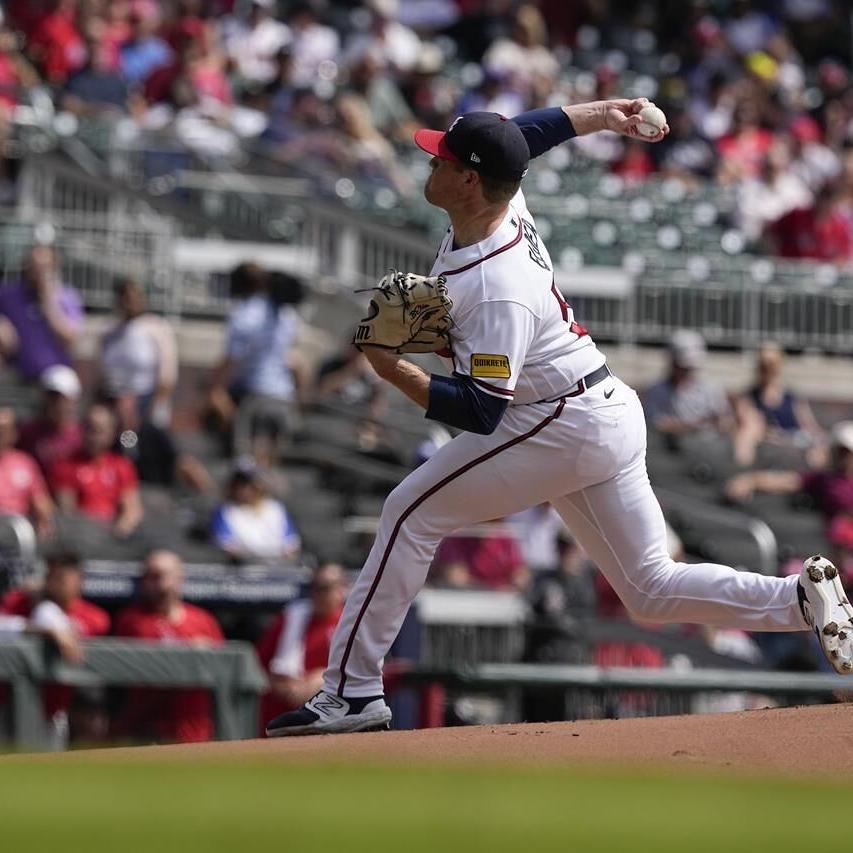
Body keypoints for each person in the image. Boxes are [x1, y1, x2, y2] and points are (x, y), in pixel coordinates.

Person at [266, 99, 853, 738]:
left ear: (467, 180)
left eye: (442, 156)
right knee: (649, 588)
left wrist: (390, 367)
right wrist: (609, 113)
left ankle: (352, 692)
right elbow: (523, 137)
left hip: (555, 419)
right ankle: (797, 599)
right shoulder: (501, 196)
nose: (429, 158)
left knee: (410, 513)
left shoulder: (497, 283)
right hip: (597, 407)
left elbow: (481, 412)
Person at [113, 549, 224, 743]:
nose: (151, 583)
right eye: (147, 577)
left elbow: (223, 671)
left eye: (158, 576)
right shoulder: (131, 620)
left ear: (179, 578)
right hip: (146, 729)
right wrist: (188, 649)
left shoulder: (203, 620)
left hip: (194, 730)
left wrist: (207, 652)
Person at [256, 563, 346, 730]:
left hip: (331, 717)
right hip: (283, 714)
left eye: (325, 588)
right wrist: (284, 686)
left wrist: (322, 680)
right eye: (315, 588)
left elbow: (365, 676)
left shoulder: (349, 624)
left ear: (342, 589)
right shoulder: (290, 617)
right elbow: (260, 666)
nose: (318, 594)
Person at [726, 421, 853, 523]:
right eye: (840, 451)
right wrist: (751, 481)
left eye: (847, 452)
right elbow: (788, 481)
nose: (844, 457)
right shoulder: (826, 480)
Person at [48, 404, 143, 538]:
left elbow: (132, 510)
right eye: (89, 429)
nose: (93, 437)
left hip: (115, 537)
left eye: (99, 431)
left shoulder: (122, 466)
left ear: (112, 433)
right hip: (80, 536)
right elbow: (67, 511)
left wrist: (119, 531)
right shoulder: (65, 466)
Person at [97, 278, 178, 427]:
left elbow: (167, 378)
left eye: (135, 296)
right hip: (114, 403)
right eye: (125, 297)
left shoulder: (157, 327)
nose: (130, 302)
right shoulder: (109, 330)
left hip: (146, 403)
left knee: (135, 443)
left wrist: (147, 413)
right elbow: (101, 375)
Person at [732, 342, 826, 467]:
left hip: (791, 439)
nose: (769, 371)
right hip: (763, 440)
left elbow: (810, 425)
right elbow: (746, 422)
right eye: (764, 367)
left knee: (817, 444)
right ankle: (743, 470)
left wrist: (818, 440)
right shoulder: (748, 397)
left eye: (772, 366)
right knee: (747, 432)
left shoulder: (792, 397)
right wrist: (765, 432)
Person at [0, 244, 84, 380]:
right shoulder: (8, 295)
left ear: (53, 267)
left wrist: (48, 302)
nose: (37, 271)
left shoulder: (67, 296)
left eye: (43, 267)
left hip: (54, 382)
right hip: (18, 377)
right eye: (33, 265)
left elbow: (69, 339)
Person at [643, 330, 733, 438]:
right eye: (682, 367)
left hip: (707, 449)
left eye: (690, 368)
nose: (685, 372)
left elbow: (725, 423)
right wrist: (696, 424)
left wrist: (721, 421)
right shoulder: (656, 390)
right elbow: (657, 424)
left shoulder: (712, 389)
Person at [211, 463, 300, 564]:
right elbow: (228, 545)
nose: (244, 489)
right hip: (244, 569)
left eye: (249, 484)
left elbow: (291, 543)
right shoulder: (224, 510)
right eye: (239, 484)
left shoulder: (275, 508)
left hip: (279, 566)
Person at [18, 365, 84, 475]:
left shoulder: (84, 433)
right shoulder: (27, 433)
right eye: (52, 397)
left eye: (62, 398)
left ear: (74, 400)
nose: (57, 404)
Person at [0, 407, 54, 538]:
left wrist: (44, 519)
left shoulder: (25, 463)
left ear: (13, 434)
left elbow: (41, 501)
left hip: (16, 536)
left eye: (3, 430)